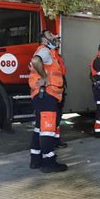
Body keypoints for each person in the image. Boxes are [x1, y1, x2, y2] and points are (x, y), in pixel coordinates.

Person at [28, 30, 67, 173]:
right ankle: (48, 162)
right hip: (47, 95)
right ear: (44, 40)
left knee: (39, 128)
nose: (55, 37)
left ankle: (35, 160)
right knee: (48, 130)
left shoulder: (49, 53)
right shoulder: (44, 51)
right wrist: (44, 77)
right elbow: (35, 61)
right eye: (51, 36)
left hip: (41, 96)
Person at [54, 37, 68, 148]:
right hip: (53, 91)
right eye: (57, 42)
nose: (59, 43)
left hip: (60, 90)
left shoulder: (58, 56)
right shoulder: (50, 56)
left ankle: (56, 140)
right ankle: (52, 141)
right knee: (54, 117)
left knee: (58, 117)